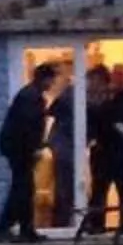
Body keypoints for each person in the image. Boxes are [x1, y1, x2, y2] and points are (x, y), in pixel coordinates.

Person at [0, 62, 56, 241]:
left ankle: (21, 229)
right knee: (23, 188)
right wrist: (34, 148)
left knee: (23, 188)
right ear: (43, 79)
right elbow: (28, 127)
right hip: (20, 150)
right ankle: (9, 228)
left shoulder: (28, 95)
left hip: (17, 148)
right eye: (50, 79)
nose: (51, 84)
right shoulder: (32, 98)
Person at [83, 63, 123, 235]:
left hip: (120, 150)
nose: (117, 78)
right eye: (115, 74)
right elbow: (95, 119)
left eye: (121, 74)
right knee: (99, 189)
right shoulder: (104, 97)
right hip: (101, 150)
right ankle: (96, 224)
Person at [44, 58, 78, 232]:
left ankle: (64, 222)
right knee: (65, 187)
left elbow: (51, 111)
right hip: (64, 146)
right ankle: (63, 223)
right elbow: (52, 111)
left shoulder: (69, 93)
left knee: (65, 186)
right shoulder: (71, 94)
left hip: (64, 145)